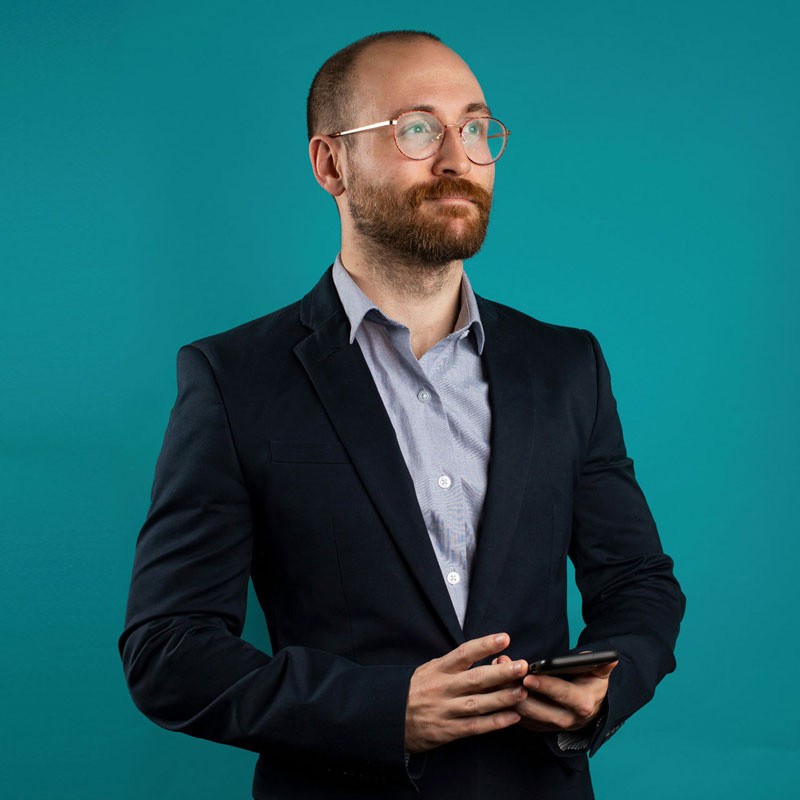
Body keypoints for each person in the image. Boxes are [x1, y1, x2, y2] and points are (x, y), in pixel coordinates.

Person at [120, 30, 685, 799]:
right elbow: (168, 650)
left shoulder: (566, 367)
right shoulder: (231, 379)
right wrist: (385, 711)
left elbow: (640, 583)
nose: (458, 158)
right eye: (416, 129)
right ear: (331, 165)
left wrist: (606, 683)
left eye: (476, 128)